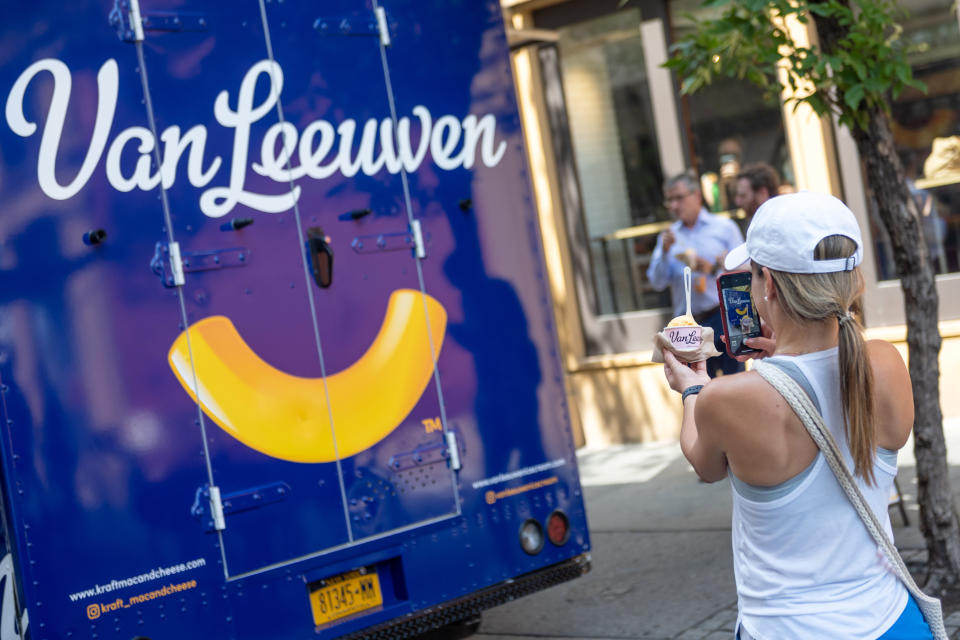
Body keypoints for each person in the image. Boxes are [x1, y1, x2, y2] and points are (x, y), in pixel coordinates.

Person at [661, 192, 932, 639]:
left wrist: (692, 388)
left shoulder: (729, 398)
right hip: (893, 622)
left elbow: (705, 466)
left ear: (767, 283)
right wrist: (787, 359)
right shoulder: (885, 363)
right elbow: (833, 374)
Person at [647, 170, 744, 377]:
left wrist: (719, 266)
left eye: (679, 198)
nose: (674, 206)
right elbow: (656, 282)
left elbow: (744, 272)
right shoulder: (669, 237)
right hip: (689, 327)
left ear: (697, 196)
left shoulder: (724, 228)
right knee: (697, 390)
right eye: (669, 201)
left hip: (723, 317)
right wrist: (664, 252)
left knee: (734, 385)